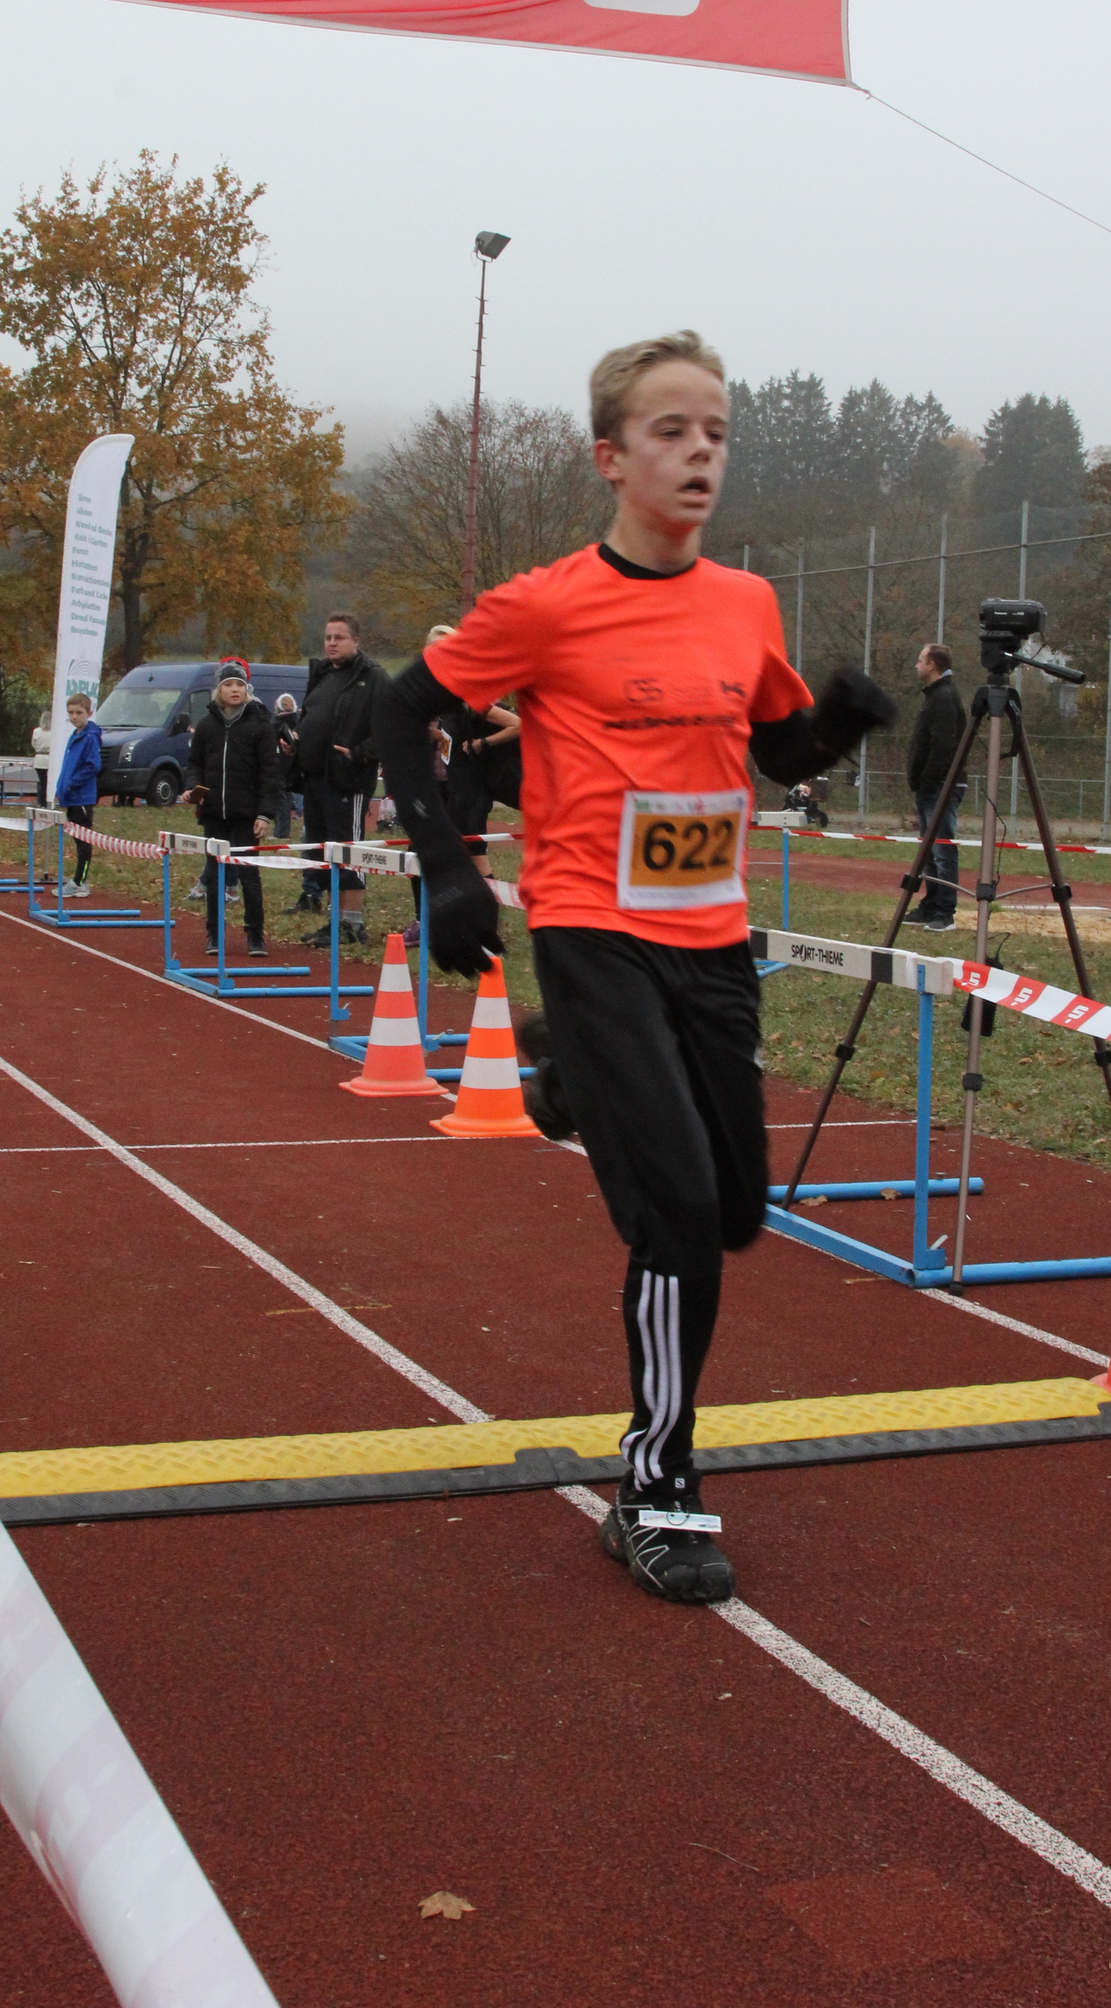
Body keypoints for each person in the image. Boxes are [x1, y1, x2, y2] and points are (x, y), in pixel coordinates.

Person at [375, 330, 893, 1607]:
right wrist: (446, 868)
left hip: (712, 942)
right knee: (679, 1226)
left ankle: (569, 1081)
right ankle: (655, 1487)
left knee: (738, 1212)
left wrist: (841, 719)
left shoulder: (745, 603)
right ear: (611, 458)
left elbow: (778, 751)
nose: (699, 452)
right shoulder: (545, 605)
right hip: (593, 932)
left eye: (716, 431)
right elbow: (401, 709)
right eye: (671, 431)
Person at [398, 621, 523, 948]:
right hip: (435, 790)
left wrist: (481, 744)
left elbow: (517, 724)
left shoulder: (468, 693)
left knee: (475, 858)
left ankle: (487, 931)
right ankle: (425, 923)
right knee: (418, 855)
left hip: (468, 793)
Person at [180, 658, 279, 958]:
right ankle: (214, 933)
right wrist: (192, 787)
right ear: (218, 691)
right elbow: (194, 764)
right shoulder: (207, 725)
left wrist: (265, 814)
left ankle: (255, 936)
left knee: (249, 876)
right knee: (214, 875)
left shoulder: (260, 725)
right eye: (228, 685)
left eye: (239, 684)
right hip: (214, 813)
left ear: (247, 689)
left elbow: (270, 773)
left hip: (247, 815)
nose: (234, 690)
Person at [295, 613, 380, 946]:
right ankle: (334, 922)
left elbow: (392, 727)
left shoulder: (372, 677)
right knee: (324, 850)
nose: (331, 643)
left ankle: (352, 923)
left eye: (339, 637)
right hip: (314, 777)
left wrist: (358, 753)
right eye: (328, 637)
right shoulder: (321, 674)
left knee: (348, 849)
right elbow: (311, 716)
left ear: (355, 641)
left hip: (348, 779)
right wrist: (296, 740)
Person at [903, 641, 967, 930]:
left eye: (920, 660)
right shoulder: (936, 696)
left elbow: (943, 746)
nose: (917, 665)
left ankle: (945, 912)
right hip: (930, 786)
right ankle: (930, 906)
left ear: (931, 665)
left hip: (941, 786)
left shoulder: (944, 698)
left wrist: (928, 780)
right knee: (929, 852)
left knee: (942, 851)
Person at [54, 693, 101, 896]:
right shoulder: (75, 735)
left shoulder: (90, 737)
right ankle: (79, 879)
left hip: (81, 797)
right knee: (76, 839)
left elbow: (93, 765)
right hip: (71, 797)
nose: (74, 717)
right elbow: (68, 766)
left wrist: (73, 784)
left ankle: (80, 881)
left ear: (89, 713)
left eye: (79, 713)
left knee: (83, 840)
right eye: (71, 713)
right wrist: (61, 788)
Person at [272, 692, 302, 841]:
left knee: (281, 799)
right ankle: (281, 830)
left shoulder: (277, 724)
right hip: (293, 765)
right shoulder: (298, 723)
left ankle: (281, 832)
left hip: (280, 764)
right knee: (286, 798)